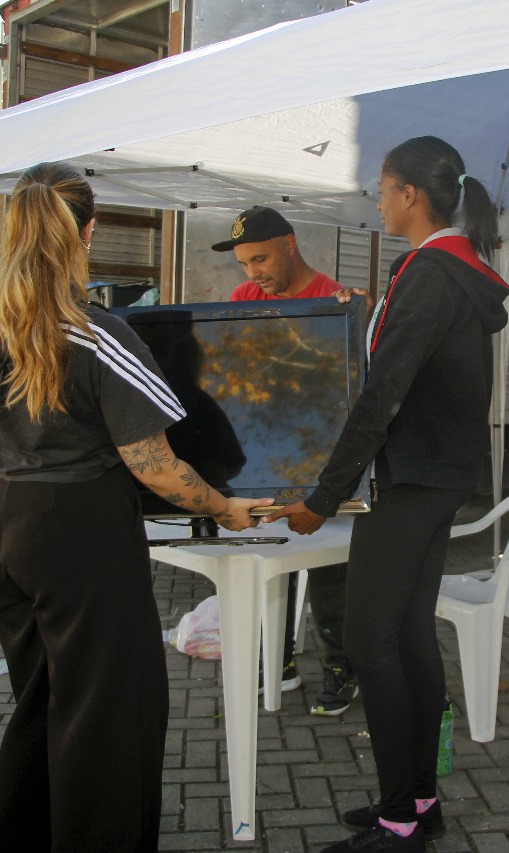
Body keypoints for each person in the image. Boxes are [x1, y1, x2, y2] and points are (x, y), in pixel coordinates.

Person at [0, 161, 271, 853]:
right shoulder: (100, 335)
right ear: (86, 232)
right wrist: (227, 508)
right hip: (81, 534)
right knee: (107, 714)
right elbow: (156, 465)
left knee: (38, 698)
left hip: (3, 523)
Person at [269, 136, 509, 853]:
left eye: (382, 187)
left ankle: (400, 819)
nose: (376, 199)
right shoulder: (453, 271)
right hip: (438, 478)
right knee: (406, 634)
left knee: (372, 638)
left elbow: (383, 394)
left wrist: (323, 493)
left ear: (410, 194)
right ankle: (419, 801)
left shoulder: (429, 271)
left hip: (408, 480)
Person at [213, 205, 361, 716]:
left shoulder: (334, 299)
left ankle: (342, 665)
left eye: (260, 259)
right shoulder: (242, 298)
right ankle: (279, 661)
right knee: (268, 557)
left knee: (326, 568)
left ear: (290, 244)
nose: (253, 274)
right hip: (265, 450)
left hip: (319, 454)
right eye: (245, 264)